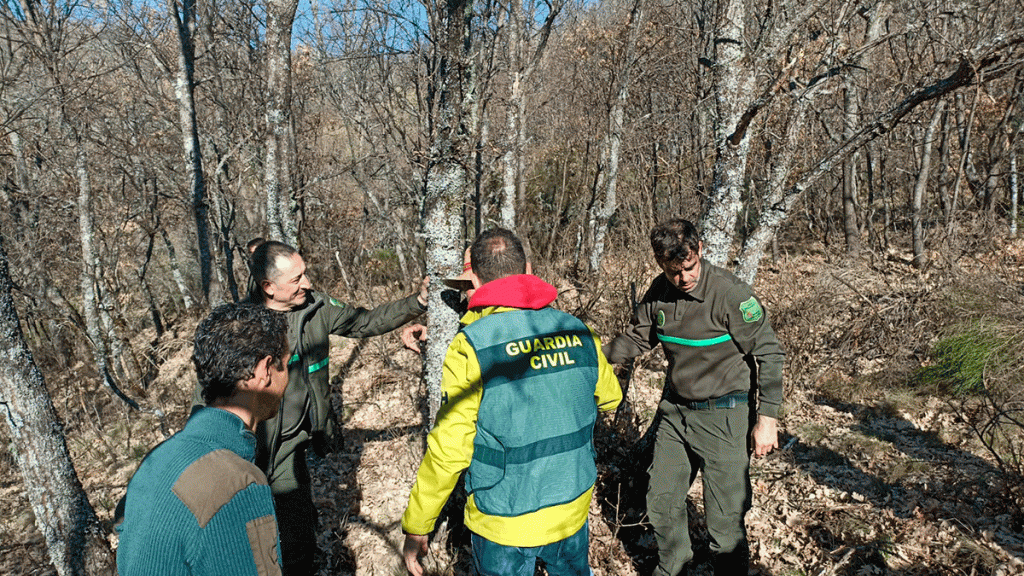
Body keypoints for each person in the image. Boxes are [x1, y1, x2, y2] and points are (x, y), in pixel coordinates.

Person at [193, 239, 429, 575]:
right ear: (269, 287)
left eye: (304, 273)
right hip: (246, 453)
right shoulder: (240, 329)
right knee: (247, 540)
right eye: (296, 279)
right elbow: (206, 400)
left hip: (290, 451)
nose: (307, 283)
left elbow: (364, 322)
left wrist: (418, 302)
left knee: (298, 537)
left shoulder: (316, 307)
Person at [401, 228, 622, 576]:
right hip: (571, 505)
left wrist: (418, 523)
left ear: (474, 280)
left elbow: (450, 449)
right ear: (528, 270)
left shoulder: (471, 345)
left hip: (503, 517)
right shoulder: (577, 329)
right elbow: (611, 397)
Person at [603, 218, 785, 576]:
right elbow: (638, 338)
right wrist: (593, 355)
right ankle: (672, 566)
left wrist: (767, 419)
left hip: (724, 415)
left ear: (699, 249)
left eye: (689, 267)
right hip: (676, 413)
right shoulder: (660, 291)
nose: (683, 278)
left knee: (725, 521)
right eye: (673, 271)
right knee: (662, 502)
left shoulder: (730, 294)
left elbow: (769, 353)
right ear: (660, 263)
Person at [118, 303, 289, 576]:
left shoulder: (156, 460)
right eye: (287, 365)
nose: (288, 377)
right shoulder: (238, 484)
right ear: (265, 370)